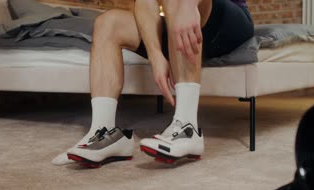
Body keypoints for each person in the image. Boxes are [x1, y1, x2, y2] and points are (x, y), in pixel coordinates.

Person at [52, 0, 254, 167]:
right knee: (108, 22)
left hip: (225, 19)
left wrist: (187, 4)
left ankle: (186, 127)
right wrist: (155, 54)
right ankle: (103, 133)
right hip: (178, 14)